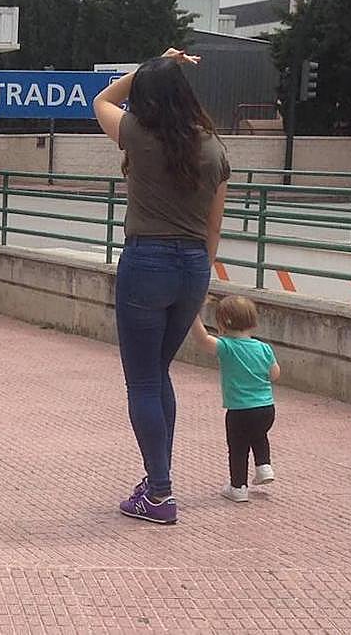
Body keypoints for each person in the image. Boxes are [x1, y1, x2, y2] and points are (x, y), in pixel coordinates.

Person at [92, 48, 231, 525]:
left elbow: (101, 100)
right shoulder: (214, 148)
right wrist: (201, 281)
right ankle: (157, 482)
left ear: (148, 99)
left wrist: (149, 65)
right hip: (193, 266)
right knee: (160, 372)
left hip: (146, 261)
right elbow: (214, 228)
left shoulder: (138, 134)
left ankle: (159, 492)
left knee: (144, 379)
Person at [189, 296, 280, 503]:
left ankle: (238, 487)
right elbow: (275, 374)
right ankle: (264, 466)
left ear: (221, 324)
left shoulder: (226, 346)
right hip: (266, 408)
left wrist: (192, 313)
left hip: (239, 410)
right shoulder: (264, 348)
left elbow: (202, 339)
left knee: (238, 447)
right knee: (258, 435)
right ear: (254, 322)